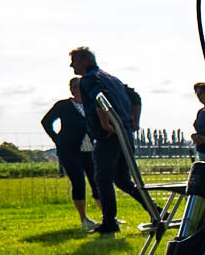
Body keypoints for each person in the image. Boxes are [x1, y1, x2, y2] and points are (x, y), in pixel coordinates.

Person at [68, 46, 155, 233]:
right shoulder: (112, 78)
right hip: (125, 134)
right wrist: (134, 122)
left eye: (74, 61)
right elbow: (135, 97)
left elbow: (100, 98)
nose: (71, 65)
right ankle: (155, 210)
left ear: (84, 61)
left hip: (108, 137)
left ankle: (109, 222)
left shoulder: (89, 79)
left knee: (102, 178)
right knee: (123, 180)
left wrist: (106, 124)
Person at [41, 91, 99, 231]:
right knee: (78, 181)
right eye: (75, 87)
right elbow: (46, 121)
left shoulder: (91, 103)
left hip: (90, 149)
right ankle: (83, 218)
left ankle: (107, 216)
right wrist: (58, 140)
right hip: (69, 150)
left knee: (97, 181)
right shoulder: (63, 106)